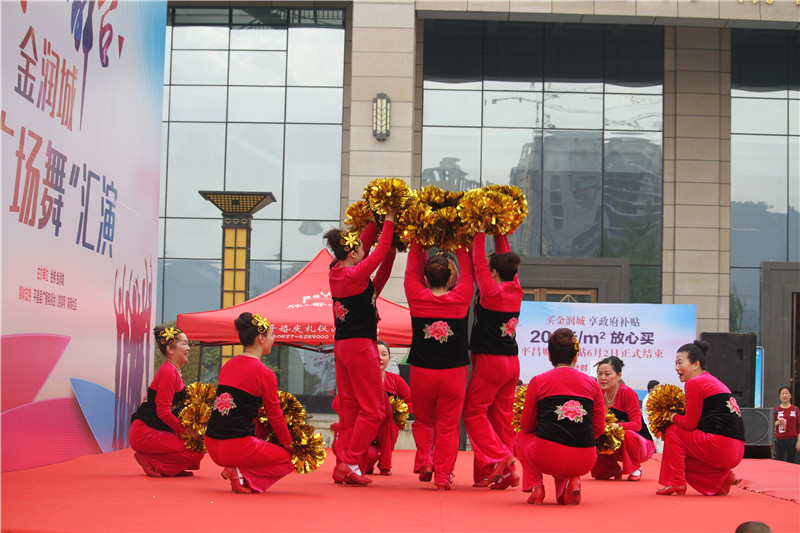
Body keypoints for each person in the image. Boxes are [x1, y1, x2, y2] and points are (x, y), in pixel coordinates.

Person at [324, 211, 397, 485]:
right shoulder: (354, 274)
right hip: (360, 347)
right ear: (353, 254)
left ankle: (343, 464)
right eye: (360, 250)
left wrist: (376, 221)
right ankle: (351, 461)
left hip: (343, 347)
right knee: (375, 410)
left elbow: (378, 265)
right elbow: (378, 250)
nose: (365, 250)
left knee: (353, 409)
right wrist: (389, 219)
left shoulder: (338, 271)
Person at [405, 239, 474, 490]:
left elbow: (411, 269)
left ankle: (426, 459)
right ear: (451, 278)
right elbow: (468, 271)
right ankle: (443, 476)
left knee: (424, 421)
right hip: (453, 373)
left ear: (425, 279)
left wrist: (418, 239)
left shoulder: (416, 295)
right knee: (448, 425)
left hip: (422, 371)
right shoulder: (461, 297)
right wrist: (460, 240)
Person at [204, 313, 295, 494]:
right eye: (271, 335)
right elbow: (274, 415)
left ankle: (238, 472)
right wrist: (289, 443)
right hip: (237, 447)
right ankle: (239, 472)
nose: (273, 339)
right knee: (288, 460)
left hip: (212, 444)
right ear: (261, 338)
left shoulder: (228, 365)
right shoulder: (264, 373)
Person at [515, 328, 605, 505]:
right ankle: (573, 480)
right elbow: (598, 428)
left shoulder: (538, 381)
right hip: (585, 459)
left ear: (549, 355)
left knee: (521, 436)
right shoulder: (592, 384)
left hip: (548, 455)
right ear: (576, 356)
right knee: (564, 438)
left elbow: (527, 424)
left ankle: (536, 487)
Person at [463, 228, 523, 490]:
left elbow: (478, 263)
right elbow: (502, 257)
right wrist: (498, 230)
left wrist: (478, 230)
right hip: (511, 363)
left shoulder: (492, 291)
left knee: (473, 413)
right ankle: (505, 472)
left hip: (491, 361)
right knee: (501, 417)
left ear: (495, 273)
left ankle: (502, 458)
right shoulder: (516, 288)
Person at [656, 340, 744, 496]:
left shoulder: (694, 383)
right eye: (675, 363)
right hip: (736, 450)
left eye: (680, 363)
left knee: (673, 431)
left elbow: (689, 424)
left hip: (721, 446)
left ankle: (676, 483)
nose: (676, 368)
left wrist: (671, 416)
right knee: (681, 457)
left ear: (696, 364)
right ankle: (723, 478)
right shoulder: (712, 381)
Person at [130, 326, 205, 477]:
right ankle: (150, 460)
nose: (188, 348)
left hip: (151, 430)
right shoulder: (168, 372)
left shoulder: (172, 371)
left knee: (198, 446)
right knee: (195, 448)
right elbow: (163, 412)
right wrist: (186, 432)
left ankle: (158, 462)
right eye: (184, 343)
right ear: (170, 349)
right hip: (145, 433)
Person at [591, 356, 655, 481]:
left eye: (607, 374)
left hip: (640, 444)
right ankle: (610, 468)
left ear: (618, 376)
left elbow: (637, 425)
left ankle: (635, 467)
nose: (602, 378)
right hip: (615, 445)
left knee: (627, 433)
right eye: (600, 374)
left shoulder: (627, 393)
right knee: (595, 432)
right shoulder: (597, 394)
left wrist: (617, 426)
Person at [365, 340, 413, 476]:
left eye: (384, 354)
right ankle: (367, 460)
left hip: (386, 427)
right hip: (365, 427)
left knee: (390, 423)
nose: (380, 358)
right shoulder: (362, 379)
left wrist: (398, 412)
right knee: (368, 459)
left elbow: (412, 402)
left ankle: (385, 464)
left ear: (389, 359)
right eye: (376, 354)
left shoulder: (395, 380)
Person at [773, 386, 800, 463]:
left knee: (791, 461)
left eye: (786, 393)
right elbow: (770, 425)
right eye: (782, 394)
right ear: (779, 397)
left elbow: (799, 426)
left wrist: (799, 441)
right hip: (779, 440)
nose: (784, 395)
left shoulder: (795, 409)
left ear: (790, 395)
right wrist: (778, 422)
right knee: (778, 461)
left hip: (792, 440)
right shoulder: (776, 409)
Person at [642, 379, 664, 453]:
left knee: (661, 446)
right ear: (651, 390)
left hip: (658, 427)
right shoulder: (647, 400)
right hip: (650, 428)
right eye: (657, 388)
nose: (659, 389)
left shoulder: (657, 398)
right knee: (651, 448)